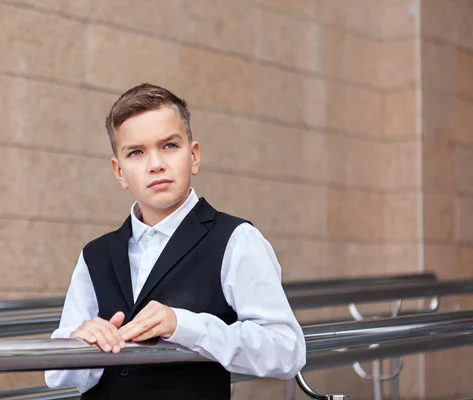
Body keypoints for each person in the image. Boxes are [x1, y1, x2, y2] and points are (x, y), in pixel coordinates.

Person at [45, 83, 306, 399]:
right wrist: (77, 343)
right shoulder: (94, 255)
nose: (155, 164)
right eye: (136, 152)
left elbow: (286, 352)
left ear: (193, 156)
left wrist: (184, 325)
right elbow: (57, 377)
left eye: (169, 146)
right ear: (120, 173)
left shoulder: (237, 241)